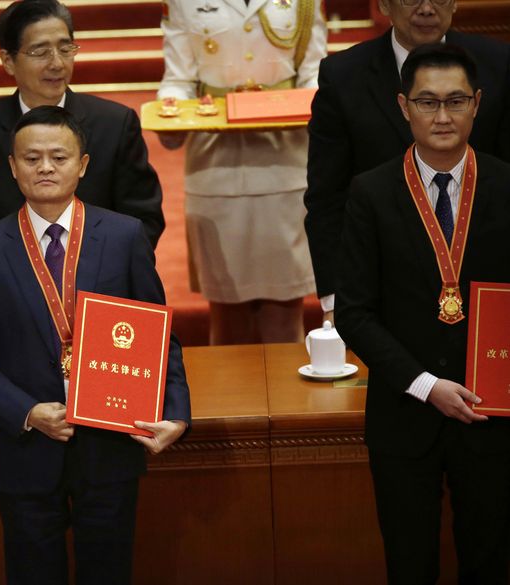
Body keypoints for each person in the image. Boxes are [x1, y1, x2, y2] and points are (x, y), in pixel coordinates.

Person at [0, 106, 191, 584]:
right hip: (27, 449)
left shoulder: (124, 236)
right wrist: (26, 411)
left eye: (58, 157)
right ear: (12, 166)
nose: (44, 167)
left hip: (111, 443)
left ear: (82, 164)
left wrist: (177, 412)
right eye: (31, 157)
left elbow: (160, 335)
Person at [336, 44, 510, 583]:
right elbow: (356, 314)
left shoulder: (507, 186)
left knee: (491, 561)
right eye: (427, 102)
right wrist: (425, 384)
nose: (442, 116)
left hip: (494, 416)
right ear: (403, 105)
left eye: (456, 101)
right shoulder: (370, 192)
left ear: (477, 104)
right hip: (404, 413)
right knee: (409, 564)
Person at [0, 0, 165, 286]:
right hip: (6, 298)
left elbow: (144, 218)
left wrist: (102, 274)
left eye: (65, 49)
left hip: (97, 295)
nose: (57, 63)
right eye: (40, 51)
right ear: (8, 60)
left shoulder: (114, 124)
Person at [305, 0, 510, 323]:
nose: (427, 9)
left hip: (481, 282)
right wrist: (335, 300)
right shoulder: (343, 76)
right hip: (382, 285)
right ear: (384, 4)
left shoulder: (498, 64)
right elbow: (326, 199)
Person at [156, 0, 327, 345]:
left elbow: (313, 71)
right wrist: (170, 110)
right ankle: (228, 400)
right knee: (226, 312)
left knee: (285, 311)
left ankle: (286, 401)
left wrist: (319, 105)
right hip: (216, 162)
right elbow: (179, 77)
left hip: (285, 160)